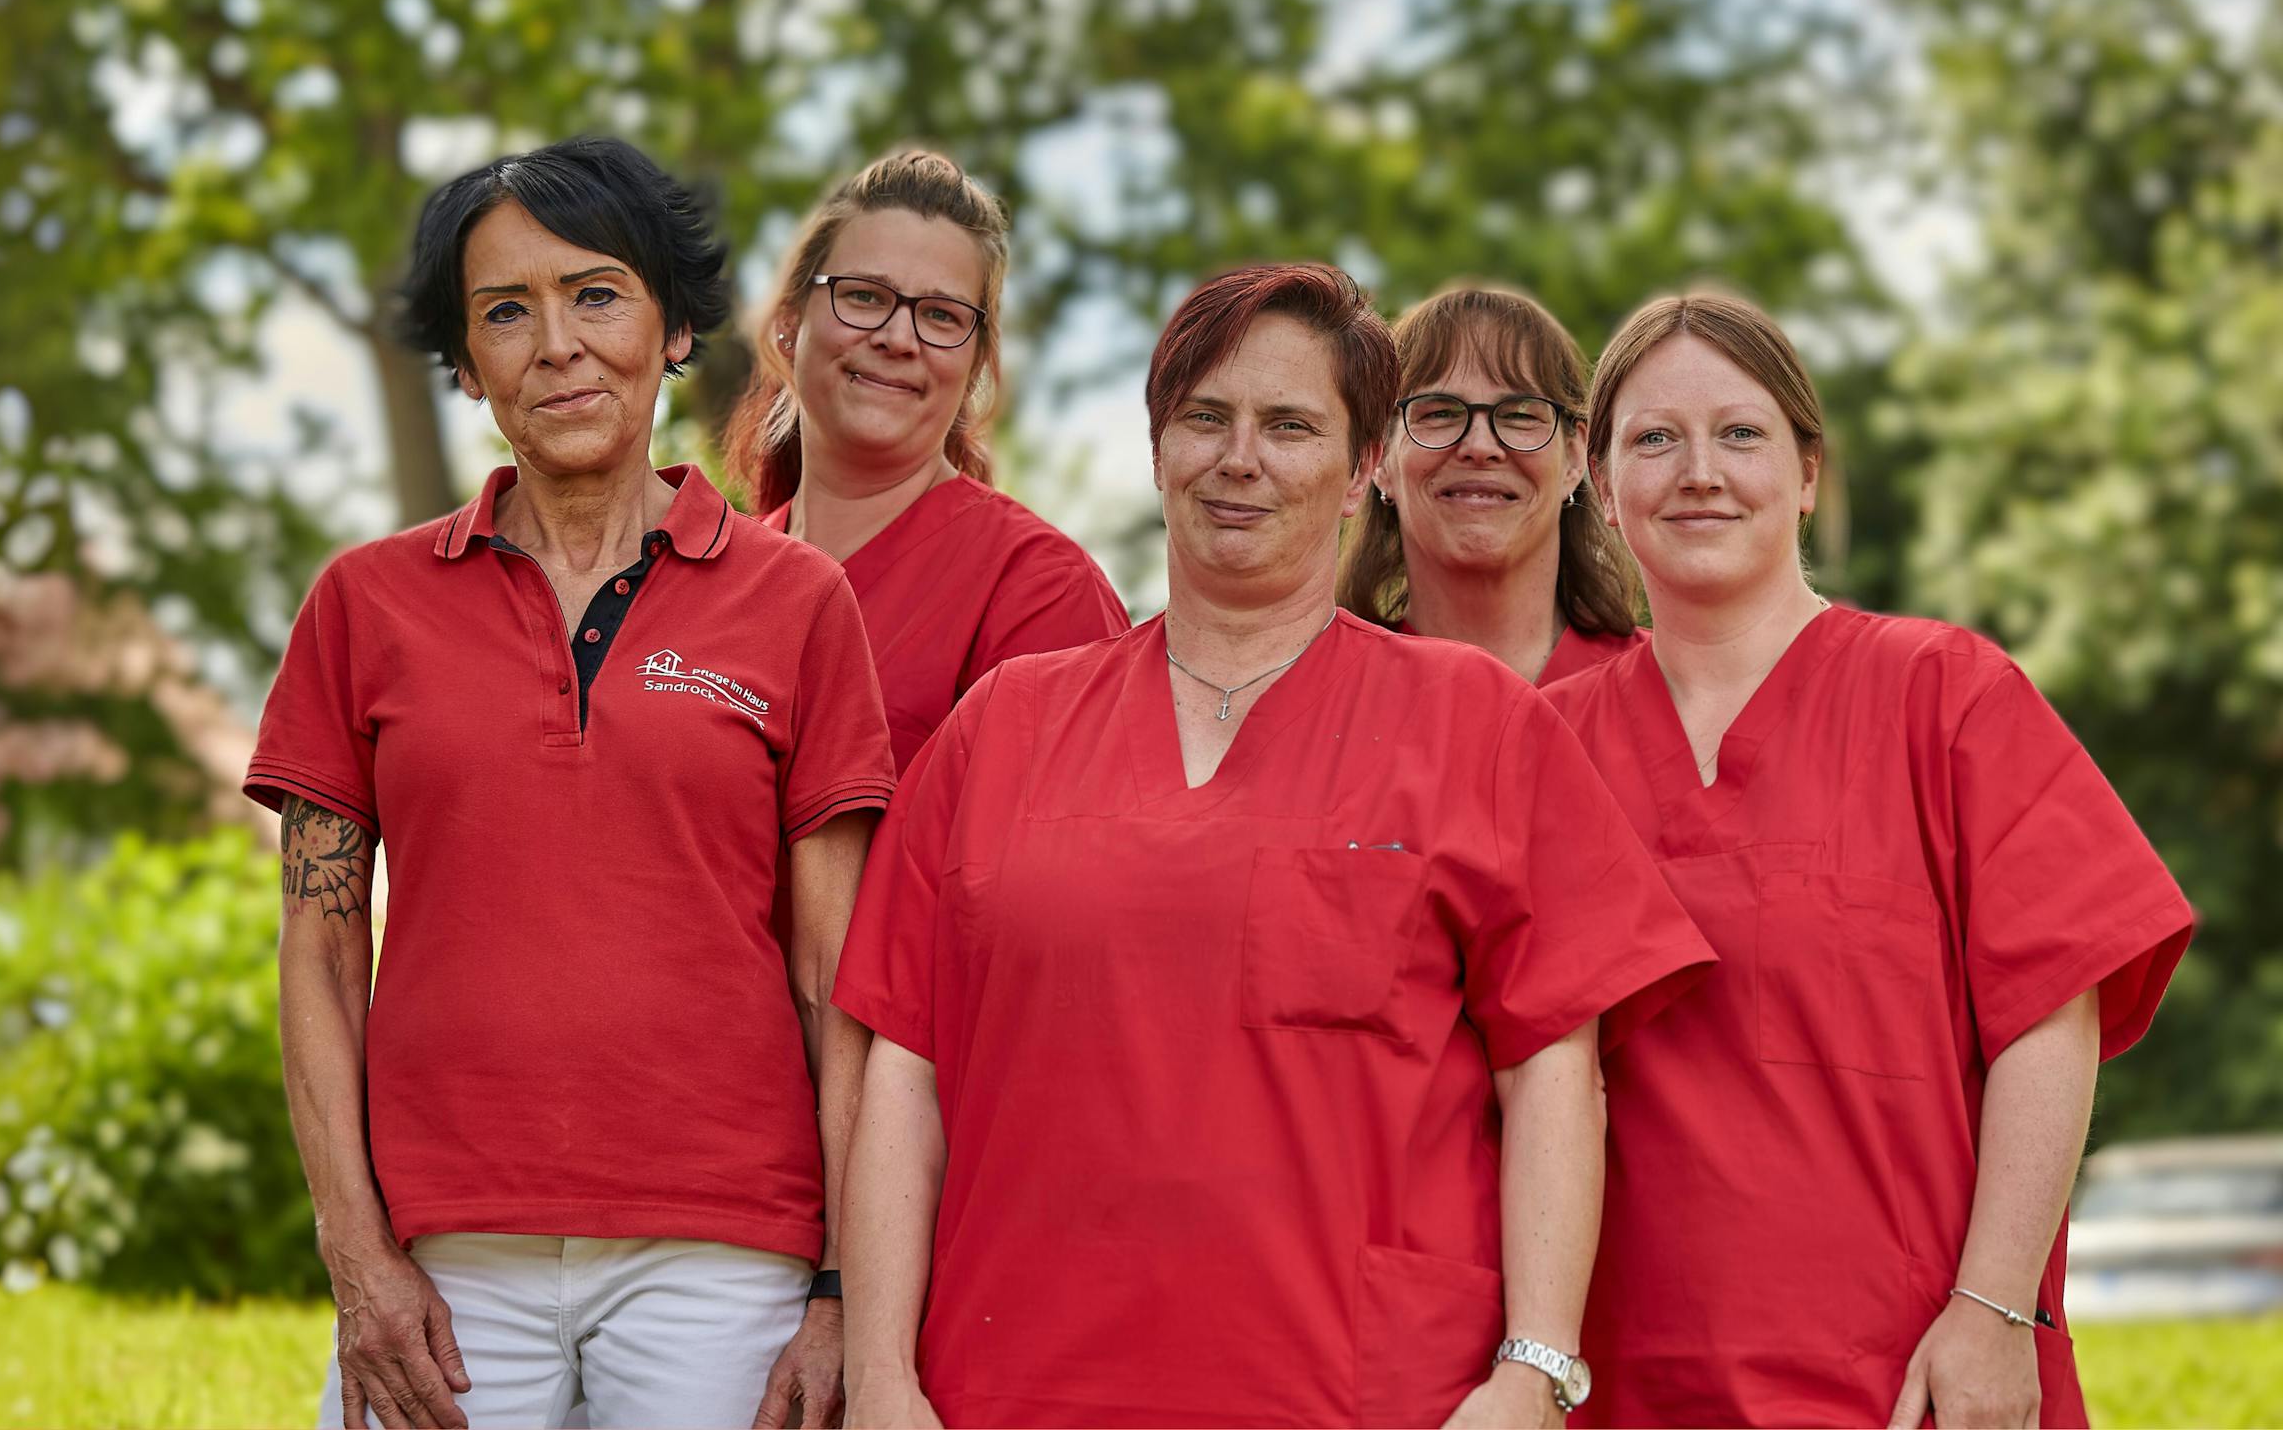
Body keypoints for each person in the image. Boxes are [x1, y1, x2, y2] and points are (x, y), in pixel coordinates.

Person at [833, 260, 1715, 1429]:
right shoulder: (1004, 723)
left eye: (1290, 426)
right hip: (1012, 1388)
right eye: (1206, 418)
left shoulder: (1474, 723)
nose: (1239, 458)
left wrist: (1533, 1371)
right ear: (1158, 453)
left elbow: (1554, 1063)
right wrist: (886, 1377)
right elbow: (906, 1067)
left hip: (1362, 1394)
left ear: (1362, 473)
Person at [251, 135, 901, 1430]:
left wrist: (840, 1289)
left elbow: (840, 981)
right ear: (465, 362)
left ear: (672, 328)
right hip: (441, 1262)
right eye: (507, 310)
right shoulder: (363, 606)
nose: (556, 343)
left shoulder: (799, 605)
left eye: (596, 293)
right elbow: (321, 954)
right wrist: (358, 1258)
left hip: (723, 1257)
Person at [1549, 290, 2193, 1428]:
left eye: (1740, 434)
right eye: (1655, 438)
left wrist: (1995, 1311)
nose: (1700, 470)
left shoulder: (1944, 694)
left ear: (1807, 476)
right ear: (1602, 488)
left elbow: (2054, 1010)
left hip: (1910, 1381)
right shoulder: (1547, 746)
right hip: (1622, 1389)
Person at [730, 146, 1128, 770]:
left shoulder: (1041, 592)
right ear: (788, 322)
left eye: (941, 315)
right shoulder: (713, 577)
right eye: (863, 297)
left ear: (974, 368)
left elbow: (1061, 857)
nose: (896, 338)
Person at [1339, 282, 1645, 686]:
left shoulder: (1670, 688)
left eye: (1519, 415)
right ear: (1379, 459)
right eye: (1440, 413)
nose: (1480, 447)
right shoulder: (1321, 690)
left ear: (1574, 458)